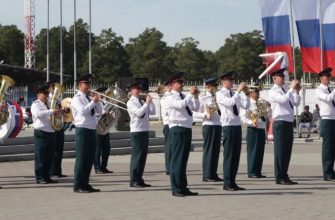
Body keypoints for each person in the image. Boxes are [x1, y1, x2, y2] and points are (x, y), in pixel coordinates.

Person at [165, 72, 200, 197]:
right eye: (178, 83)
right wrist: (190, 95)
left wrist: (195, 96)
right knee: (177, 160)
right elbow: (180, 106)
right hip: (177, 129)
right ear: (172, 84)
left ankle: (183, 186)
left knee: (183, 160)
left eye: (182, 82)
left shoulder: (184, 96)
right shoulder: (170, 97)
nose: (181, 85)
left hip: (186, 128)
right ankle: (176, 188)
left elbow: (195, 108)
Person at [216, 71, 250, 191]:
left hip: (236, 125)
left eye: (232, 80)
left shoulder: (235, 93)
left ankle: (233, 181)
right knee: (229, 155)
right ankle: (227, 182)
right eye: (229, 80)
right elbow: (230, 103)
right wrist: (239, 91)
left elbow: (246, 105)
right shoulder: (220, 94)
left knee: (236, 156)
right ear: (223, 82)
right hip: (228, 126)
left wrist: (246, 94)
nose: (232, 82)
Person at [269, 68, 301, 185]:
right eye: (281, 77)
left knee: (287, 151)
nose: (283, 79)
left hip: (288, 122)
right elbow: (283, 100)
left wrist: (296, 91)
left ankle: (284, 175)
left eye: (283, 77)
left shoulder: (285, 90)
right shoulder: (273, 91)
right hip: (280, 122)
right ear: (274, 78)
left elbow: (296, 103)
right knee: (280, 151)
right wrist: (292, 88)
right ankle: (279, 176)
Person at [71, 74, 103, 193]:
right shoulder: (77, 98)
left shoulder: (89, 98)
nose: (89, 86)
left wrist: (97, 101)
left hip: (91, 129)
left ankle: (85, 183)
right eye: (86, 83)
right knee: (82, 158)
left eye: (89, 84)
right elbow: (83, 111)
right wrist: (93, 102)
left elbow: (99, 112)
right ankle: (78, 185)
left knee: (89, 158)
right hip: (82, 129)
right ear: (80, 84)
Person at [193, 77, 222, 182]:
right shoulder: (203, 98)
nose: (216, 88)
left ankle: (213, 173)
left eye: (216, 86)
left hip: (218, 124)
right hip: (208, 124)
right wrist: (205, 115)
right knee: (209, 150)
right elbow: (195, 112)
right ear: (209, 87)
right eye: (214, 86)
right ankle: (207, 175)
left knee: (216, 150)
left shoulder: (218, 97)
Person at [127, 82, 156, 188]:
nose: (139, 91)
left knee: (142, 157)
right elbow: (139, 113)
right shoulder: (131, 102)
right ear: (131, 90)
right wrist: (146, 103)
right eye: (136, 89)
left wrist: (150, 102)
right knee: (137, 156)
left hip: (144, 130)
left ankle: (139, 178)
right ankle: (134, 180)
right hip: (136, 131)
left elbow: (152, 112)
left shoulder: (141, 101)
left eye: (139, 89)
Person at [31, 85, 59, 184]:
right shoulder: (36, 104)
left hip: (51, 131)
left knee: (49, 156)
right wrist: (51, 111)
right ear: (38, 94)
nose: (46, 95)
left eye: (47, 93)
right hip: (41, 132)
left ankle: (47, 176)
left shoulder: (49, 103)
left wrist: (61, 112)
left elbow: (55, 113)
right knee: (40, 156)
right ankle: (40, 178)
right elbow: (37, 114)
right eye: (44, 94)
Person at [240, 84, 268, 178]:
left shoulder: (260, 103)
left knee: (260, 151)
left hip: (261, 129)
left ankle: (257, 171)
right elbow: (243, 118)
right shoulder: (247, 104)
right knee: (253, 151)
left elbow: (265, 116)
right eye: (256, 92)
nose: (258, 94)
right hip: (253, 129)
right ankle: (251, 171)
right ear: (251, 93)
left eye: (258, 92)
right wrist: (251, 122)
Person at [315, 67, 335, 181]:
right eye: (326, 77)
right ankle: (327, 173)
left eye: (329, 76)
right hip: (327, 120)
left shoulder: (330, 89)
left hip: (334, 118)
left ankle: (332, 171)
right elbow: (328, 99)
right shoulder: (319, 90)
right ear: (321, 78)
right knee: (328, 147)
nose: (328, 78)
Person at [48, 80, 68, 178]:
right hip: (52, 126)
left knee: (59, 149)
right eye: (54, 87)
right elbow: (48, 112)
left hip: (59, 126)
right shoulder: (48, 100)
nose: (56, 90)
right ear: (50, 88)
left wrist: (63, 111)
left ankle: (58, 171)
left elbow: (58, 112)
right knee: (53, 150)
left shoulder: (58, 100)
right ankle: (52, 171)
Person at [94, 87, 113, 174]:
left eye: (103, 93)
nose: (103, 94)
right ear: (97, 93)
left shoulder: (105, 102)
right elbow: (94, 113)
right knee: (97, 148)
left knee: (106, 148)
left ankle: (104, 166)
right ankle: (97, 167)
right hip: (97, 127)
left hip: (105, 127)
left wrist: (110, 115)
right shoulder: (94, 102)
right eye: (101, 93)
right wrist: (103, 113)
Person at [160, 82, 171, 175]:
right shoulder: (166, 98)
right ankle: (169, 167)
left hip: (172, 124)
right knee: (169, 147)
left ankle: (171, 166)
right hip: (168, 124)